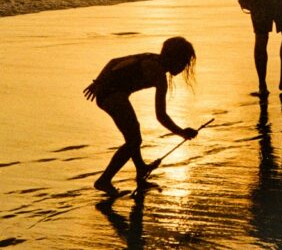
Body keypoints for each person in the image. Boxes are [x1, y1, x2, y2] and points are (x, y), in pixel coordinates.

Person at [83, 37, 199, 195]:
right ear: (174, 59)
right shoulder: (158, 74)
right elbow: (161, 116)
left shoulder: (151, 57)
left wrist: (99, 82)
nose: (185, 66)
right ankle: (104, 180)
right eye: (184, 62)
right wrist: (181, 132)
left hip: (112, 93)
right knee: (134, 139)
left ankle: (140, 172)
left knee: (133, 133)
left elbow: (113, 61)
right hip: (111, 95)